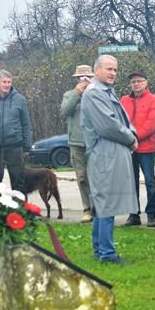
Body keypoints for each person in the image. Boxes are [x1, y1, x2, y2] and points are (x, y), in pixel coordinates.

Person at [80, 55, 137, 264]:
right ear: (97, 71)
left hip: (110, 153)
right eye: (108, 69)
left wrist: (133, 133)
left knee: (103, 204)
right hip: (104, 155)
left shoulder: (104, 91)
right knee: (106, 204)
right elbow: (108, 125)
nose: (113, 73)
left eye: (115, 69)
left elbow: (123, 120)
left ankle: (100, 251)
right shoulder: (95, 93)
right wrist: (131, 139)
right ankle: (107, 254)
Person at [120, 70, 155, 227]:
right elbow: (119, 120)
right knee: (131, 182)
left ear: (145, 82)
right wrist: (128, 139)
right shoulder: (124, 100)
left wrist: (134, 138)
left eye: (139, 81)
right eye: (133, 82)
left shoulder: (154, 99)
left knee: (150, 181)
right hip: (128, 148)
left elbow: (151, 124)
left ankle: (151, 214)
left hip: (146, 148)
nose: (136, 84)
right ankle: (134, 214)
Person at [60, 64, 95, 223]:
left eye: (88, 77)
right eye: (81, 78)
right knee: (82, 177)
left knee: (96, 177)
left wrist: (91, 90)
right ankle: (87, 209)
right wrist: (77, 93)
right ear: (76, 79)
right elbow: (64, 112)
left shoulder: (97, 93)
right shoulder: (69, 94)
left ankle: (99, 209)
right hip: (76, 143)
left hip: (94, 142)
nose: (85, 80)